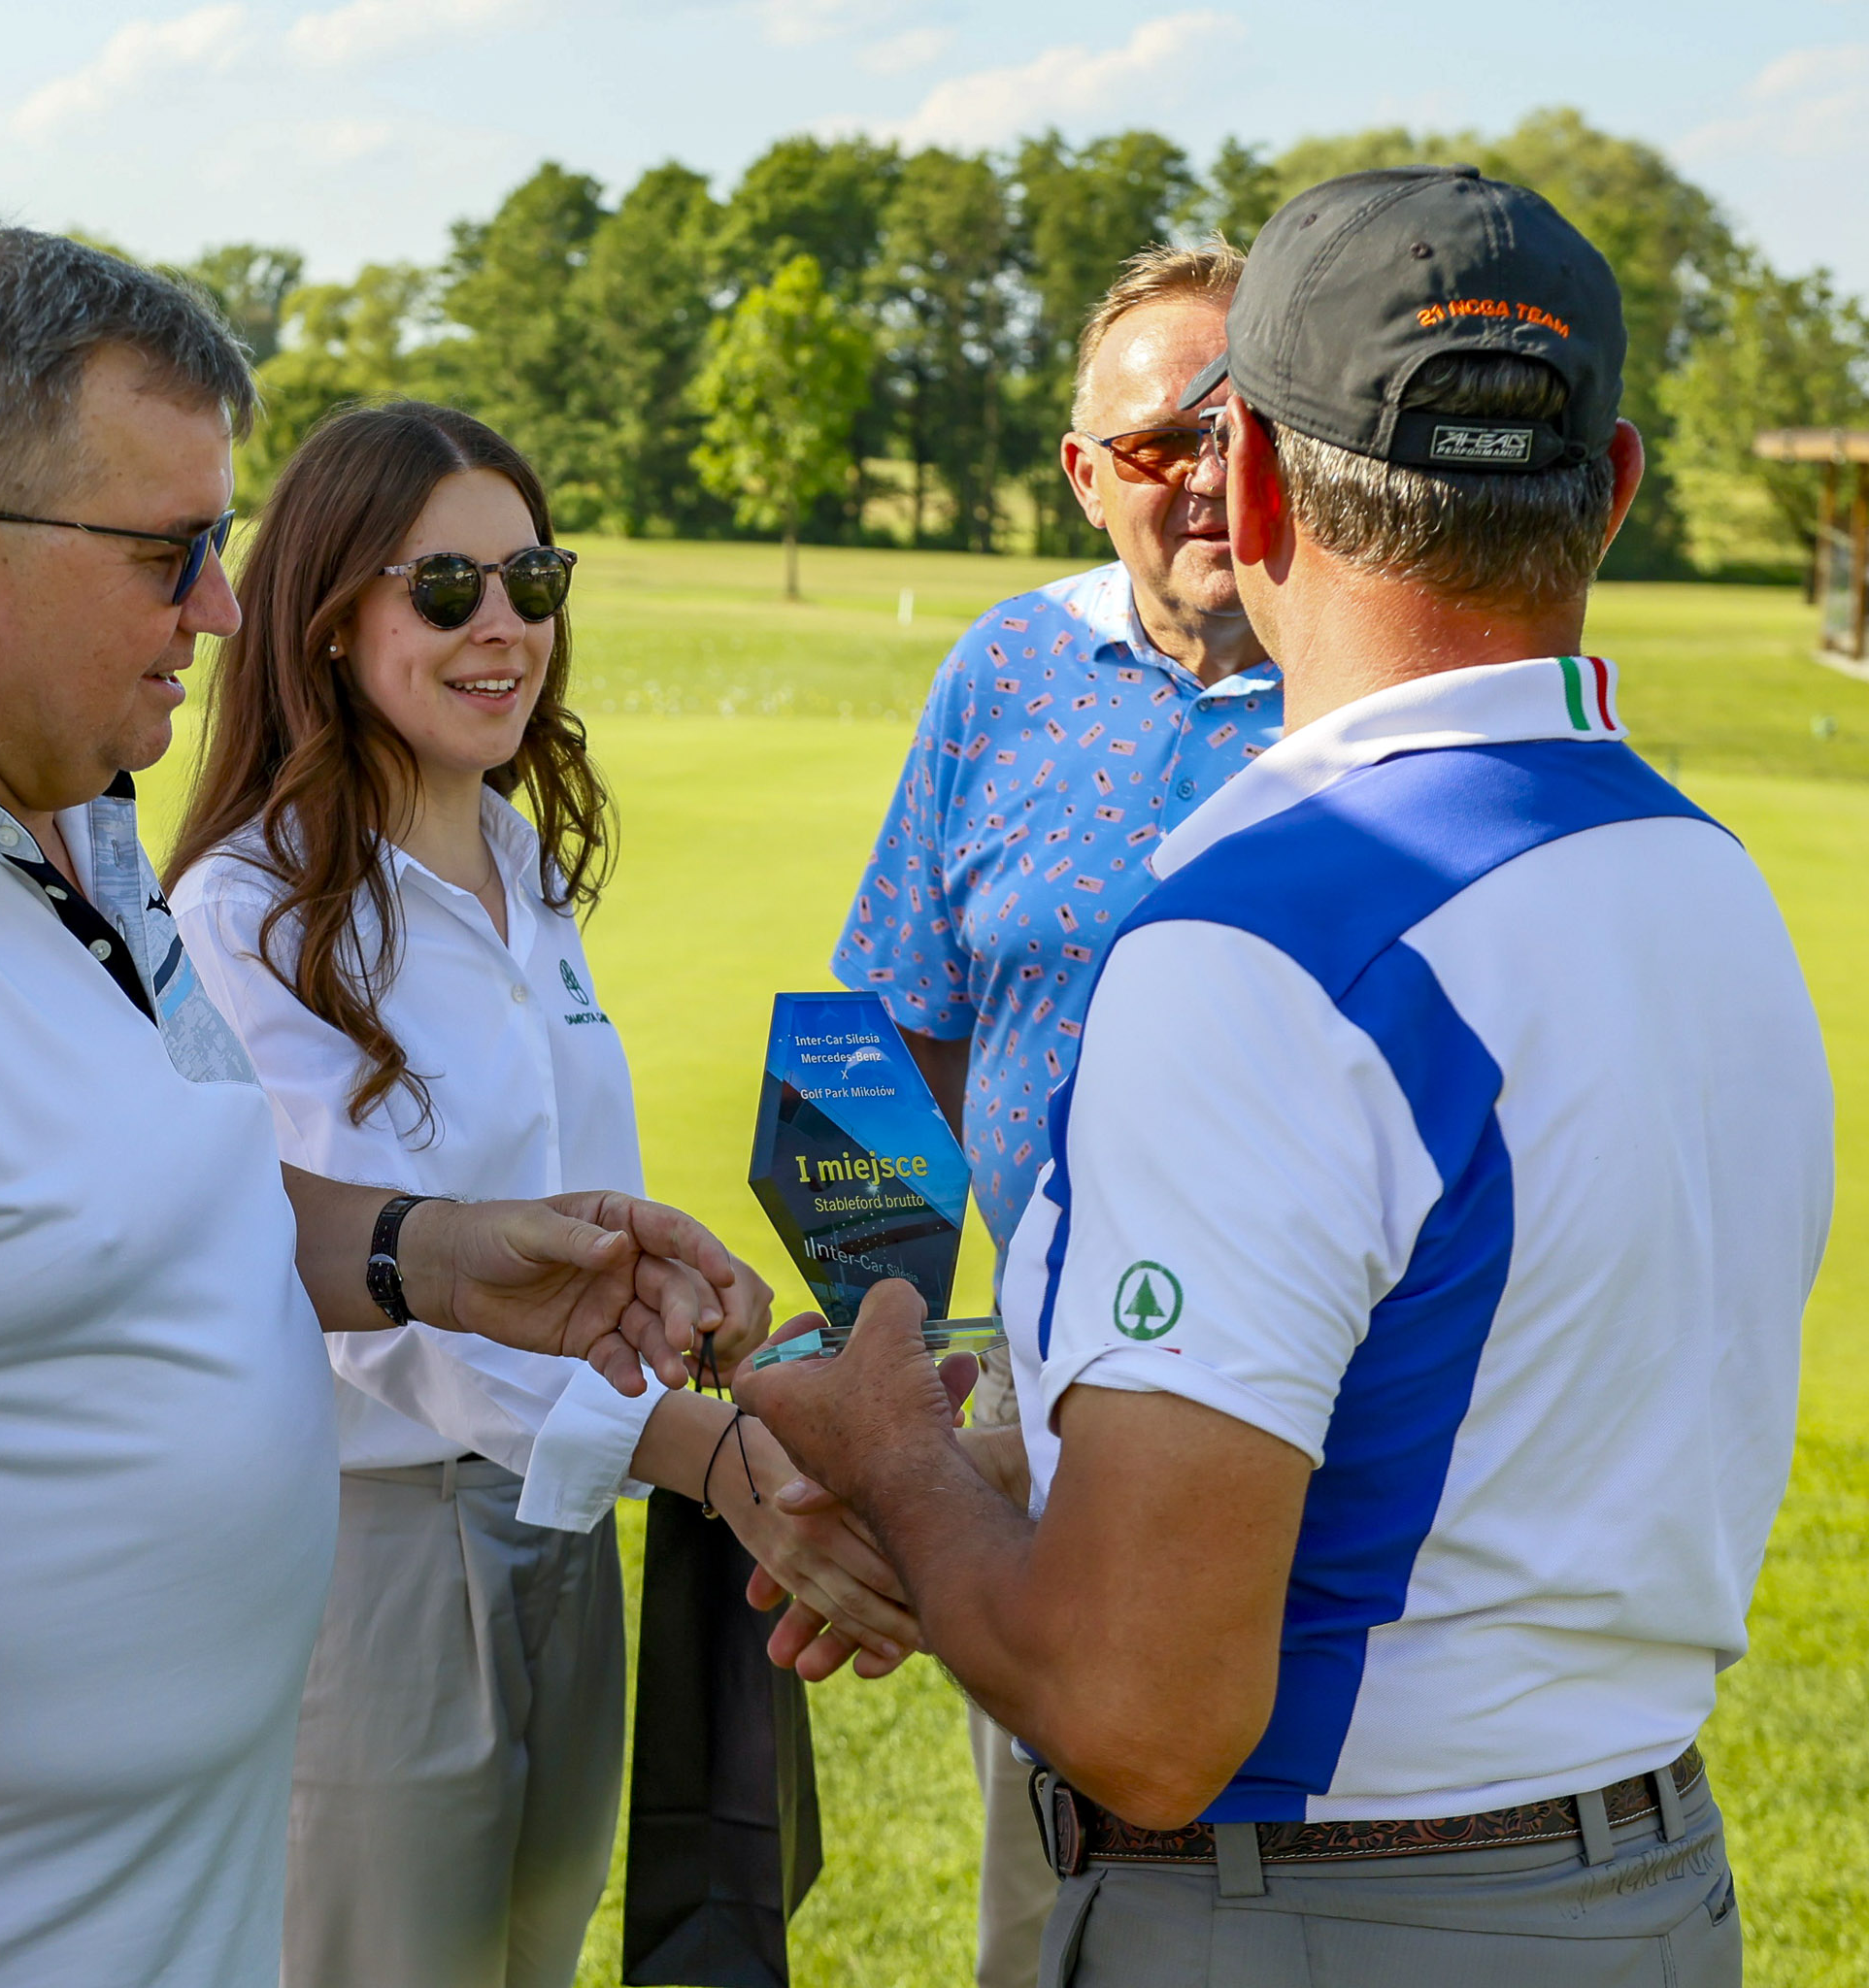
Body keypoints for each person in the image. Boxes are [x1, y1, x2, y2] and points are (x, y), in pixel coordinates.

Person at [0, 222, 766, 1988]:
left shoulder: (46, 803)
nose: (224, 611)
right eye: (175, 552)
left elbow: (136, 1202)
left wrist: (435, 1252)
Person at [746, 166, 1829, 1986]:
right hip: (1638, 1870)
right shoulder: (1704, 873)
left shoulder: (1261, 942)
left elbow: (1141, 1708)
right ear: (1617, 492)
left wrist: (894, 1457)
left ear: (1257, 485)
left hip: (1315, 1900)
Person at [163, 401, 920, 1988]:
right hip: (375, 1556)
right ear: (329, 615)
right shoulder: (246, 914)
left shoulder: (523, 863)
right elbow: (371, 1311)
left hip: (566, 1529)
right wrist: (704, 1452)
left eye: (532, 579)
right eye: (446, 589)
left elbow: (565, 1214)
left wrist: (691, 1313)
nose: (503, 625)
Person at [825, 239, 1281, 1988]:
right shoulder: (1001, 675)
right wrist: (867, 1383)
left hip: (1315, 1377)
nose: (1217, 480)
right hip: (1036, 1384)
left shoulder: (1377, 687)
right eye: (1170, 443)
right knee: (1055, 1892)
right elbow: (883, 1041)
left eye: (1255, 429)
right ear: (1090, 476)